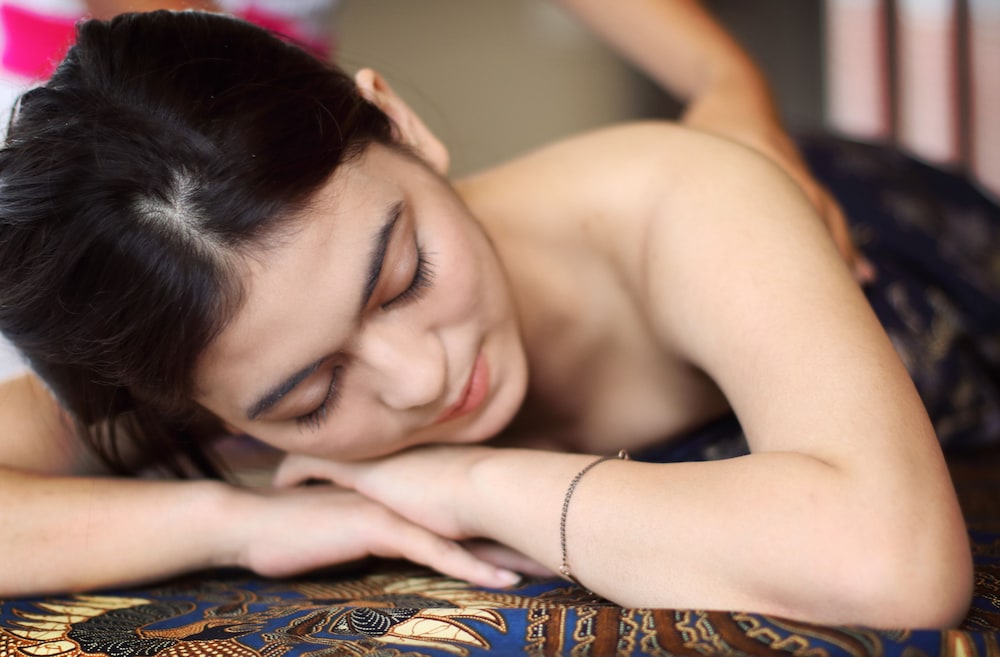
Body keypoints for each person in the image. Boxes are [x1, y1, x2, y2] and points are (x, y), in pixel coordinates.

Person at [0, 10, 987, 629]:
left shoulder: (679, 206)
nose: (420, 377)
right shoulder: (206, 362)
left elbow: (890, 561)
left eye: (405, 277)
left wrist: (464, 483)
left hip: (897, 235)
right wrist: (244, 522)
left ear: (403, 127)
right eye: (314, 396)